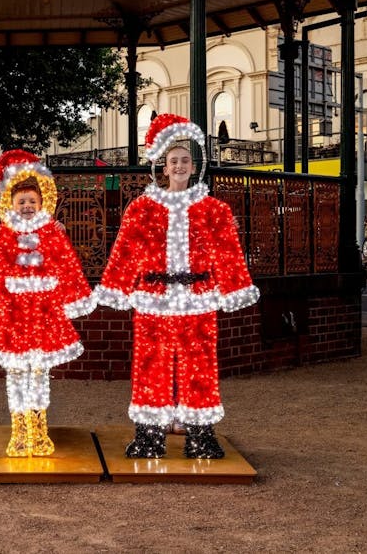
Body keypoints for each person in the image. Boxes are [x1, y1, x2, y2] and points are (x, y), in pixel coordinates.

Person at [94, 113, 260, 459]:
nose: (180, 165)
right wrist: (118, 286)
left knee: (199, 366)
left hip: (198, 300)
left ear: (193, 165)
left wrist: (233, 287)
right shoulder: (142, 208)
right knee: (150, 365)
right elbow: (126, 249)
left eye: (186, 160)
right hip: (152, 300)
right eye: (174, 161)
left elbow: (228, 251)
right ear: (163, 167)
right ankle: (150, 436)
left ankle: (200, 436)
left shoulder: (214, 209)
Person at [0, 149, 95, 457]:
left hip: (44, 314)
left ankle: (39, 428)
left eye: (32, 202)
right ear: (10, 203)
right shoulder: (2, 235)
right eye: (21, 201)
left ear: (42, 203)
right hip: (13, 315)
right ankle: (20, 431)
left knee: (39, 374)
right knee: (16, 374)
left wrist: (73, 299)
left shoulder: (52, 233)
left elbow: (67, 267)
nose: (26, 207)